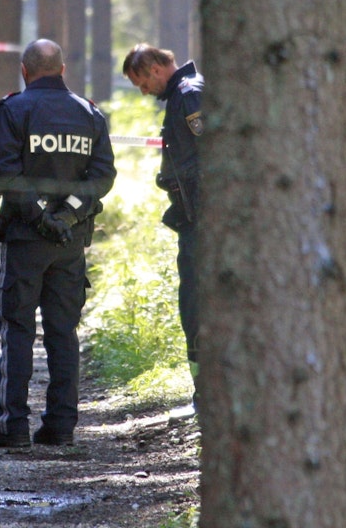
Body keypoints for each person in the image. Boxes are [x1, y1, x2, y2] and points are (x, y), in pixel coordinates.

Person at [0, 39, 116, 449]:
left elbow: (6, 170)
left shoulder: (15, 109)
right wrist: (68, 215)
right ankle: (60, 425)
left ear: (25, 71)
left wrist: (40, 216)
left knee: (17, 328)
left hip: (26, 240)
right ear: (63, 69)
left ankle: (13, 426)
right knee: (63, 332)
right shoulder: (89, 113)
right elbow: (102, 175)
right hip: (69, 243)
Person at [122, 44, 203, 415]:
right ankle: (203, 394)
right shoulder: (181, 97)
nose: (143, 92)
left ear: (155, 69)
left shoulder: (189, 95)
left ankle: (207, 397)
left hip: (205, 225)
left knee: (197, 307)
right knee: (192, 306)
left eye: (142, 83)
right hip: (194, 221)